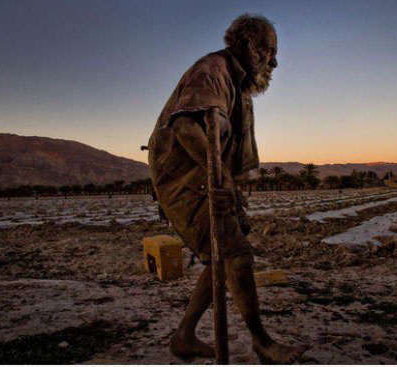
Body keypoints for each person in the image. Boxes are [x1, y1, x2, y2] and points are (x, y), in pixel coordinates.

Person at [148, 14, 307, 364]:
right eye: (269, 50)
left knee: (222, 256)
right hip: (186, 183)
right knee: (237, 255)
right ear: (248, 45)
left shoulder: (237, 84)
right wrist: (217, 177)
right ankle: (261, 342)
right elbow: (187, 128)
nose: (274, 61)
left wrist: (227, 182)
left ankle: (184, 335)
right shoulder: (213, 70)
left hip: (207, 178)